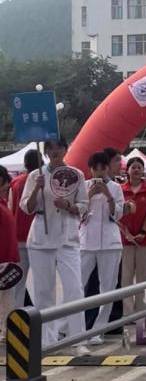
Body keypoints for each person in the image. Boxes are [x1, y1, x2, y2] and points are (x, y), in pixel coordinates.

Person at [20, 137, 90, 352]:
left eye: (59, 147)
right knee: (44, 292)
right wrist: (37, 188)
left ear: (66, 149)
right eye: (50, 147)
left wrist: (69, 205)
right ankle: (46, 340)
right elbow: (27, 207)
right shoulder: (36, 175)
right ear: (46, 151)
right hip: (41, 237)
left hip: (67, 237)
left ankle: (78, 339)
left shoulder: (76, 175)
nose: (55, 151)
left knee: (74, 289)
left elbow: (84, 205)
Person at [79, 151, 125, 345]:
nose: (99, 171)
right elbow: (78, 214)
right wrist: (89, 196)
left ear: (108, 168)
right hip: (86, 242)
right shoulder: (83, 186)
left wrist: (107, 195)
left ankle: (98, 329)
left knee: (108, 287)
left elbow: (118, 215)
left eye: (102, 167)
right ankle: (73, 327)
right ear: (90, 169)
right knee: (78, 284)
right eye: (95, 168)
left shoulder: (115, 187)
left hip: (110, 243)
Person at [120, 157, 146, 317]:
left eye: (139, 167)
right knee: (126, 276)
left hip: (144, 239)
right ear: (127, 170)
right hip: (125, 240)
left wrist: (143, 232)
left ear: (143, 170)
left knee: (143, 276)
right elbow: (117, 213)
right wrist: (126, 233)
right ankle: (127, 312)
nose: (136, 170)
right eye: (133, 167)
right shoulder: (121, 189)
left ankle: (141, 311)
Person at [8, 148, 40, 308]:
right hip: (37, 237)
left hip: (18, 236)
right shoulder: (41, 181)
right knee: (41, 281)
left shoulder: (15, 182)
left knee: (18, 283)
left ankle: (16, 315)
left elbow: (10, 206)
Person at [0, 165, 20, 343]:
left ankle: (6, 331)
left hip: (8, 260)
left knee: (7, 299)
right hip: (2, 260)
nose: (8, 186)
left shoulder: (3, 202)